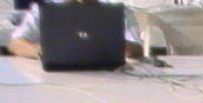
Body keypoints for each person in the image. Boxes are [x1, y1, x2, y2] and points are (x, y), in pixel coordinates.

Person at [8, 0, 143, 59]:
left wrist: (111, 44)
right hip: (55, 80)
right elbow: (15, 44)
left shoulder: (119, 11)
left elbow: (138, 49)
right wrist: (41, 51)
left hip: (108, 78)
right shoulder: (44, 10)